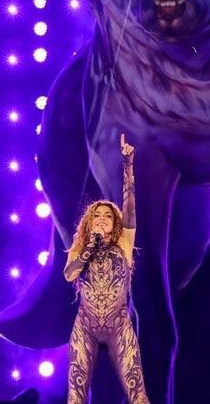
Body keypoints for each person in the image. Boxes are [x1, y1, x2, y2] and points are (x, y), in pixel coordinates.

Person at [63, 134, 148, 404]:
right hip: (85, 326)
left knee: (138, 394)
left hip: (118, 325)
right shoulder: (81, 247)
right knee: (75, 396)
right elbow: (70, 274)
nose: (101, 219)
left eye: (107, 215)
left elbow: (130, 207)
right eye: (96, 216)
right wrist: (90, 245)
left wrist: (128, 164)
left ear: (115, 222)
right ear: (89, 223)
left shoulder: (124, 241)